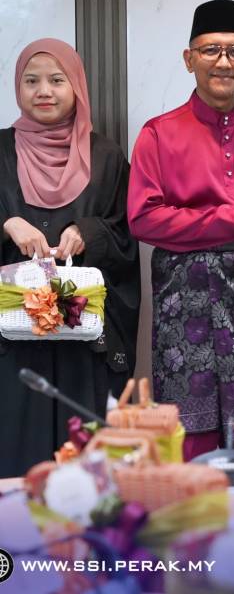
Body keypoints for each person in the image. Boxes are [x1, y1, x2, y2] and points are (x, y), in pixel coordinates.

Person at [127, 0, 234, 460]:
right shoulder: (158, 134)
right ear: (189, 59)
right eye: (211, 50)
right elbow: (143, 218)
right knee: (189, 439)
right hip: (185, 307)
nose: (223, 62)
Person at [0, 38, 140, 478]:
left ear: (76, 86)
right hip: (10, 346)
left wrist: (89, 232)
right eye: (31, 81)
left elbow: (128, 235)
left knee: (82, 467)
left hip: (84, 346)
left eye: (57, 80)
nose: (44, 91)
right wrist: (6, 223)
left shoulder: (107, 157)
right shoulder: (0, 151)